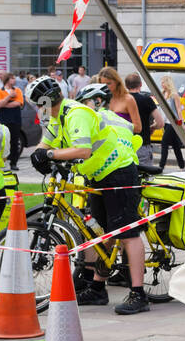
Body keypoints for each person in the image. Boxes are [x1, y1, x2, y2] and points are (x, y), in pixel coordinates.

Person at [28, 76, 151, 314]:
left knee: (127, 232)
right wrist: (39, 155)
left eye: (38, 104)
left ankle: (139, 294)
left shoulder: (76, 114)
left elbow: (83, 150)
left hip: (118, 172)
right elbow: (45, 145)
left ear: (44, 102)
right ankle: (97, 289)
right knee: (98, 232)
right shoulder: (57, 118)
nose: (38, 110)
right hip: (97, 176)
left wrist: (51, 155)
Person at [124, 73, 161, 167]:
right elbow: (160, 123)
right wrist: (152, 127)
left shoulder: (121, 100)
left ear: (126, 86)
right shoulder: (146, 100)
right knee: (145, 177)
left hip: (123, 145)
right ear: (140, 84)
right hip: (142, 144)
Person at [0, 74, 24, 171]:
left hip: (15, 120)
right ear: (7, 80)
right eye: (12, 78)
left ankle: (13, 163)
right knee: (1, 141)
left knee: (15, 142)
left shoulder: (18, 90)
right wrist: (9, 97)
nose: (14, 79)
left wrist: (5, 104)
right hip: (3, 120)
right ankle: (1, 162)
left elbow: (18, 103)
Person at [159, 75, 185, 170]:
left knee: (164, 143)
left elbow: (179, 110)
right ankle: (182, 167)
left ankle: (161, 166)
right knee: (175, 146)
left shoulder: (174, 95)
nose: (161, 84)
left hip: (172, 123)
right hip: (166, 123)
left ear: (167, 83)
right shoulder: (163, 94)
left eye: (163, 82)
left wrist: (182, 123)